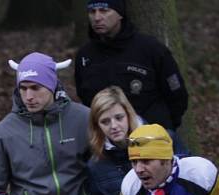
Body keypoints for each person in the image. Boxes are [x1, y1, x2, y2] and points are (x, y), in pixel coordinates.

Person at [0, 52, 101, 195]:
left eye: (36, 88)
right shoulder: (4, 132)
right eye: (23, 88)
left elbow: (102, 171)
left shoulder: (83, 119)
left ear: (52, 85)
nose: (29, 96)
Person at [75, 1, 188, 148]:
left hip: (153, 143)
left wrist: (163, 127)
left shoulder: (150, 49)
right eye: (92, 12)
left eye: (104, 11)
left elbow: (177, 95)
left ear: (120, 14)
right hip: (110, 147)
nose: (97, 18)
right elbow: (85, 99)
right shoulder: (85, 56)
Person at [87, 85, 140, 195]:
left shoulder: (160, 141)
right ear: (97, 126)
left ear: (128, 115)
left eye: (119, 117)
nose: (114, 126)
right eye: (105, 121)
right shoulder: (96, 165)